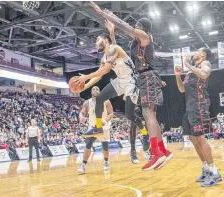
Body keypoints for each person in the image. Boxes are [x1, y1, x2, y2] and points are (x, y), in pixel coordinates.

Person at [89, 1, 172, 170]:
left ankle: (155, 152)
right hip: (142, 78)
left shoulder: (144, 37)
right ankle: (162, 151)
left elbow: (125, 26)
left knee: (147, 114)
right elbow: (121, 56)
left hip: (144, 78)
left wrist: (104, 14)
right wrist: (112, 35)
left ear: (142, 28)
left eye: (137, 26)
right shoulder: (136, 44)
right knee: (149, 115)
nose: (135, 28)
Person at [75, 20, 150, 159]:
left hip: (131, 82)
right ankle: (97, 127)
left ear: (105, 40)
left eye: (97, 40)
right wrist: (84, 86)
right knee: (100, 99)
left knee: (129, 115)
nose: (96, 43)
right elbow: (99, 75)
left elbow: (106, 69)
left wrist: (87, 76)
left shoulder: (115, 49)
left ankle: (145, 134)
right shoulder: (105, 56)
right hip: (120, 81)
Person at [175, 48, 222, 187]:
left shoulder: (205, 63)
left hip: (199, 105)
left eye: (198, 51)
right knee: (192, 137)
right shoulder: (192, 70)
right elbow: (182, 89)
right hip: (190, 106)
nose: (195, 52)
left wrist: (187, 64)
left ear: (203, 54)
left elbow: (205, 74)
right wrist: (178, 75)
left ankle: (214, 172)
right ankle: (206, 168)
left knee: (200, 137)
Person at [78, 86, 113, 174]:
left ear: (100, 91)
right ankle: (83, 165)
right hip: (93, 126)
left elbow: (111, 113)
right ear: (91, 92)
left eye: (97, 89)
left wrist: (105, 121)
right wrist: (81, 117)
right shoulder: (87, 103)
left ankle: (106, 162)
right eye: (93, 89)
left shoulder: (106, 101)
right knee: (88, 144)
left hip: (103, 126)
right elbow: (81, 113)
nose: (95, 90)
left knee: (105, 146)